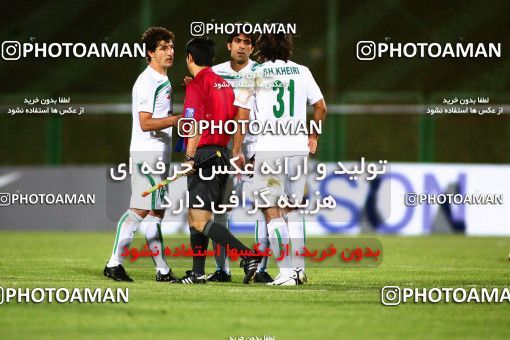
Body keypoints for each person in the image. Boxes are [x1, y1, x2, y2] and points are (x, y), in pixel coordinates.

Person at [233, 33, 327, 285]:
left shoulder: (253, 73)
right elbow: (320, 106)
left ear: (261, 49)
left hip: (268, 149)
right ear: (288, 49)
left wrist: (237, 151)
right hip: (297, 149)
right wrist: (313, 137)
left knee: (271, 211)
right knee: (293, 210)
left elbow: (242, 115)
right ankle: (299, 270)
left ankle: (286, 272)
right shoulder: (303, 72)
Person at [171, 37, 261, 284]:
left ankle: (247, 255)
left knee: (201, 220)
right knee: (195, 217)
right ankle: (198, 273)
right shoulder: (224, 84)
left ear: (189, 58)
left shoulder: (198, 84)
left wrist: (190, 158)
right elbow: (237, 117)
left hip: (205, 154)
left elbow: (194, 124)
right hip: (222, 153)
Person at [104, 27, 180, 282]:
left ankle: (163, 270)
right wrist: (178, 120)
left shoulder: (162, 79)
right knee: (140, 208)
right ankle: (114, 263)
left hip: (158, 155)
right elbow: (146, 123)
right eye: (163, 48)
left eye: (171, 47)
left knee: (157, 211)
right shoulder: (148, 81)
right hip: (147, 153)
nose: (170, 52)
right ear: (150, 53)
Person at [205, 30, 273, 284]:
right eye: (238, 41)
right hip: (223, 150)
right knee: (221, 211)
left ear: (253, 48)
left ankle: (261, 269)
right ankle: (223, 270)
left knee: (263, 210)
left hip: (255, 150)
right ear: (229, 45)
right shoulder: (215, 72)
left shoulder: (262, 72)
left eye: (247, 42)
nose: (242, 46)